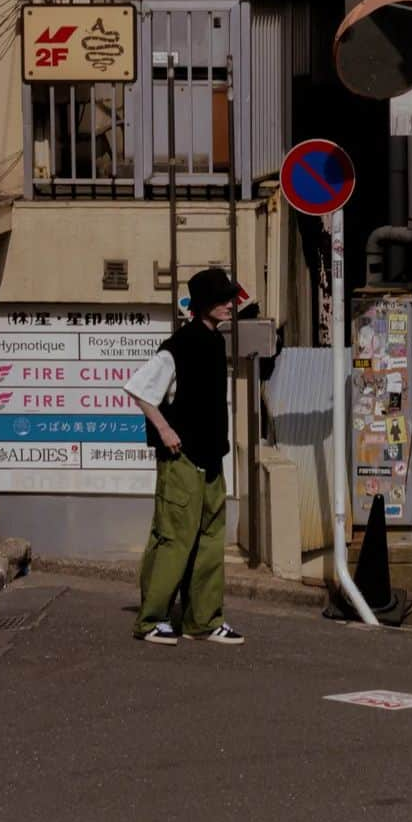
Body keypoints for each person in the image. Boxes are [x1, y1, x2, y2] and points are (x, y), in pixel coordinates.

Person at [125, 267, 245, 646]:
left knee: (211, 542)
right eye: (224, 299)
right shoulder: (178, 345)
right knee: (173, 538)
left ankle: (204, 621)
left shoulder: (215, 341)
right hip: (182, 459)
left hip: (211, 458)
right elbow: (140, 389)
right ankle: (151, 620)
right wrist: (164, 429)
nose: (231, 304)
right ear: (205, 304)